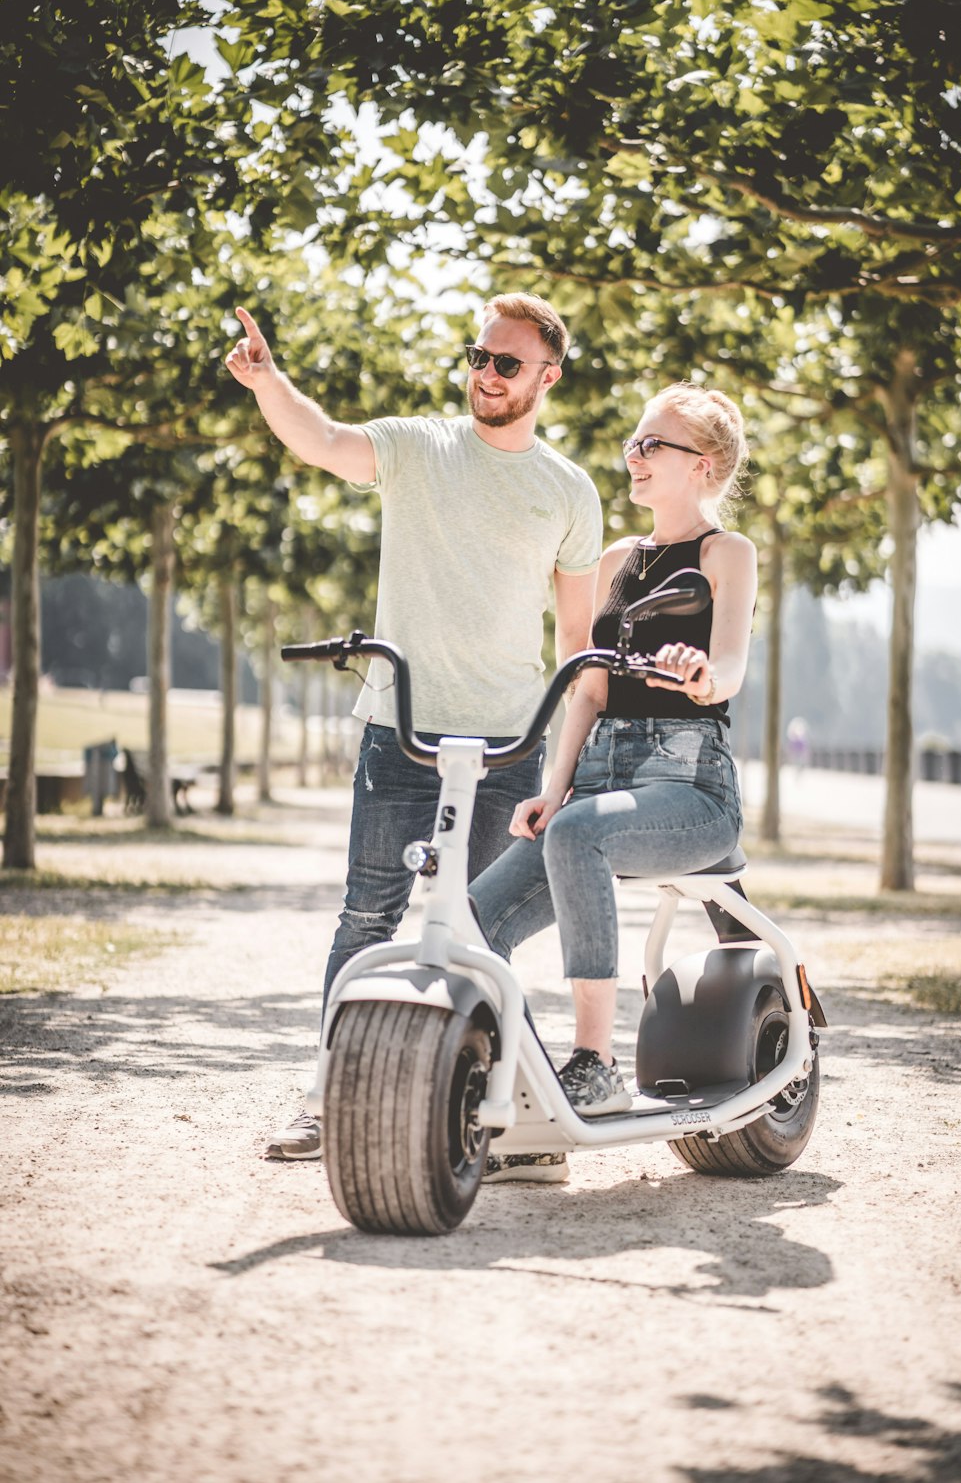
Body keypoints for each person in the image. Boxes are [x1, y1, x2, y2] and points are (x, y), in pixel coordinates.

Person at [224, 294, 604, 1160]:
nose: (485, 374)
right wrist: (267, 380)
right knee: (367, 918)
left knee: (483, 930)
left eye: (506, 363)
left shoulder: (568, 492)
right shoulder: (416, 446)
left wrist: (568, 764)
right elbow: (321, 439)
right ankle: (330, 1099)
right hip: (400, 734)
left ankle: (500, 1108)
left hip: (510, 743)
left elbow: (576, 645)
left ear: (548, 376)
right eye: (477, 356)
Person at [469, 381, 757, 1184]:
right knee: (470, 921)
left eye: (652, 445)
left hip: (691, 789)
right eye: (633, 441)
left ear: (701, 466)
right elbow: (588, 687)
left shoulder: (725, 554)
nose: (633, 454)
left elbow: (730, 665)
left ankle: (592, 1063)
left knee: (579, 834)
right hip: (594, 789)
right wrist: (552, 788)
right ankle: (529, 1112)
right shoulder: (616, 561)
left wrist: (701, 674)